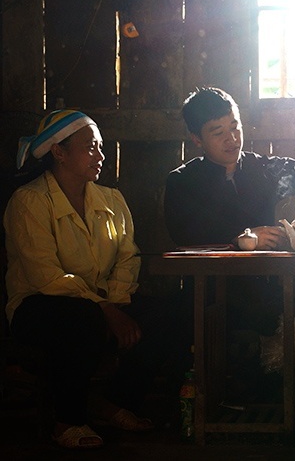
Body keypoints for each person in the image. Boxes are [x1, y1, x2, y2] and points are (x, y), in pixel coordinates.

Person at [5, 110, 183, 449]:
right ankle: (67, 421)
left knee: (167, 315)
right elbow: (46, 276)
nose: (100, 155)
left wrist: (115, 301)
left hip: (103, 303)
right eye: (90, 147)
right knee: (82, 319)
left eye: (101, 147)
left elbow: (128, 256)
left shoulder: (111, 199)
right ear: (59, 152)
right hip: (38, 305)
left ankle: (114, 402)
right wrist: (104, 309)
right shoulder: (30, 201)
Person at [164, 87, 295, 336]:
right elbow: (184, 234)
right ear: (197, 139)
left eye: (235, 127)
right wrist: (241, 239)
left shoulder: (264, 168)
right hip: (213, 296)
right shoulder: (182, 182)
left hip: (271, 291)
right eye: (218, 132)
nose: (232, 139)